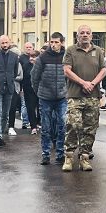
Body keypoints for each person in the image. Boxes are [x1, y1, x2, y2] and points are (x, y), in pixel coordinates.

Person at [63, 26, 106, 169]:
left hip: (93, 96)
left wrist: (93, 83)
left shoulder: (98, 51)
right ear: (77, 36)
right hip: (75, 95)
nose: (85, 35)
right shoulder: (71, 50)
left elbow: (104, 70)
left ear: (91, 35)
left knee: (90, 127)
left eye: (88, 33)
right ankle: (69, 157)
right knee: (73, 125)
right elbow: (67, 70)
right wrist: (83, 83)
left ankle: (85, 157)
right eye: (82, 33)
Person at [32, 33, 69, 166]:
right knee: (46, 127)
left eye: (56, 42)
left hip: (62, 97)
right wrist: (39, 92)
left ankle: (60, 153)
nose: (53, 45)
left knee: (62, 125)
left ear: (62, 43)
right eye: (51, 42)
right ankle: (46, 154)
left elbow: (70, 76)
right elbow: (34, 77)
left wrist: (66, 91)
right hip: (45, 97)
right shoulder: (43, 57)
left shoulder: (67, 57)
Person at [18, 42, 38, 134]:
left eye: (33, 57)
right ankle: (33, 126)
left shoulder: (41, 66)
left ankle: (38, 123)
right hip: (28, 90)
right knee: (30, 108)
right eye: (30, 57)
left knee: (40, 108)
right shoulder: (25, 65)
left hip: (40, 90)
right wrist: (21, 89)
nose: (31, 59)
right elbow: (22, 77)